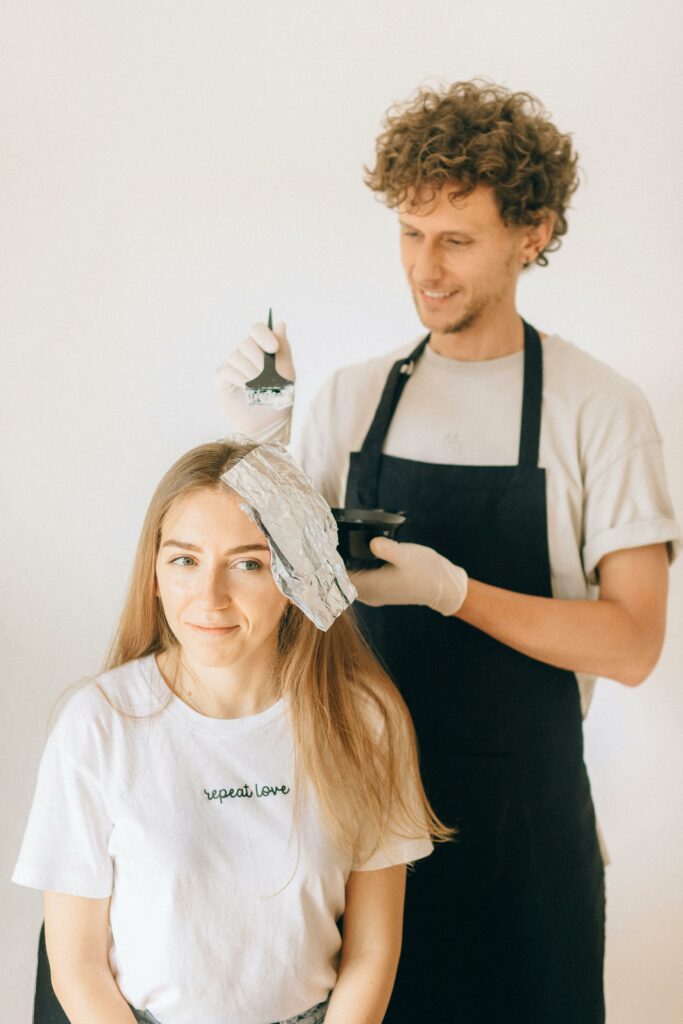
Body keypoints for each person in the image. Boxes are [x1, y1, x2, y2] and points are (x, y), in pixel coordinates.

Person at [214, 81, 680, 1023]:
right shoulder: (349, 400)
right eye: (409, 234)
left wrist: (454, 592)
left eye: (456, 240)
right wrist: (259, 451)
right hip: (357, 824)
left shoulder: (598, 410)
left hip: (529, 837)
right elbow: (266, 604)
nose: (425, 269)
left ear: (532, 232)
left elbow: (632, 645)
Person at [13, 438, 450, 1024]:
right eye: (185, 560)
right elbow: (76, 966)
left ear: (296, 579)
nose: (209, 598)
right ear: (154, 576)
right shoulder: (97, 725)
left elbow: (372, 948)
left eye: (249, 564)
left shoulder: (365, 719)